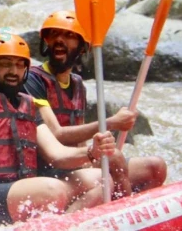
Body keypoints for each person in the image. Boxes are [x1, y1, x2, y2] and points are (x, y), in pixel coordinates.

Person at [0, 34, 116, 230]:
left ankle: (60, 226)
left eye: (20, 65)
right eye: (5, 64)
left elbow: (57, 155)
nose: (13, 71)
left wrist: (92, 152)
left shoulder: (26, 104)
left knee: (101, 180)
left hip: (21, 190)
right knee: (50, 189)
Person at [24, 11, 167, 202]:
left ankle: (133, 212)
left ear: (83, 47)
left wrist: (92, 158)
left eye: (69, 35)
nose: (59, 40)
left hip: (77, 162)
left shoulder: (77, 84)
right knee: (111, 166)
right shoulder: (33, 80)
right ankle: (119, 212)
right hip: (50, 168)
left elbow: (80, 141)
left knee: (155, 167)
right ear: (46, 42)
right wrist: (111, 123)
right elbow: (56, 133)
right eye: (53, 34)